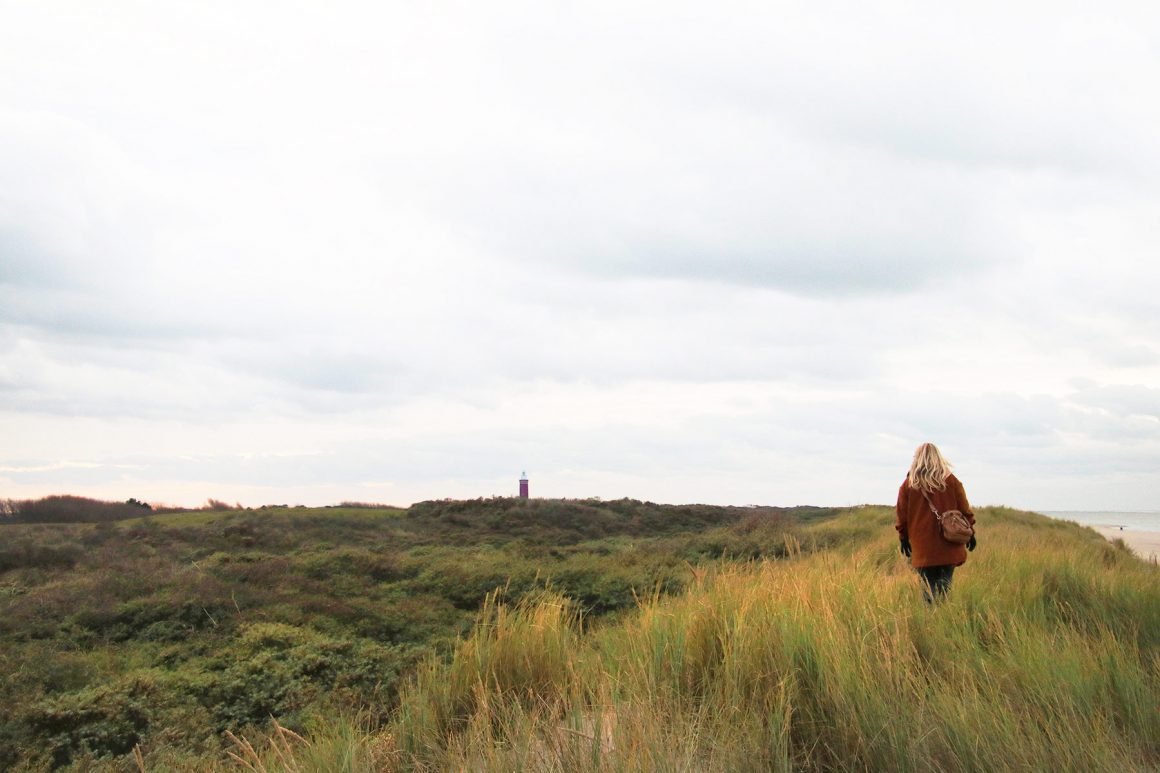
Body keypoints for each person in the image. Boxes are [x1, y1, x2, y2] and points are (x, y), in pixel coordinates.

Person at [895, 442, 976, 602]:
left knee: (928, 592)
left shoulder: (909, 484)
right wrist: (971, 531)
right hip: (949, 544)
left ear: (917, 459)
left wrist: (903, 538)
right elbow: (965, 510)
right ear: (938, 457)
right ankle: (942, 619)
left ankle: (930, 622)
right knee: (944, 589)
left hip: (922, 547)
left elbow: (902, 515)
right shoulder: (951, 481)